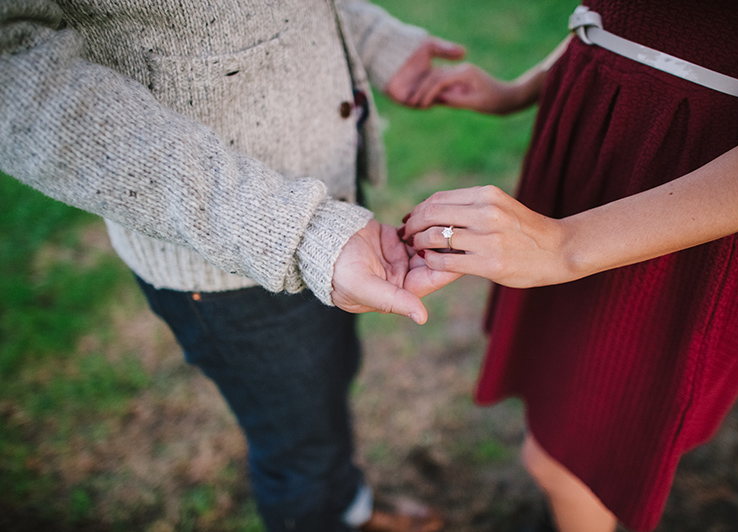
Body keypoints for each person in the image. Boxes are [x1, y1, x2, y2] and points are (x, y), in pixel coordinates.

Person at [0, 1, 460, 531]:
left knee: (325, 391)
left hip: (334, 231)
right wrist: (299, 232)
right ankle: (324, 511)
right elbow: (19, 72)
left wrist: (376, 40)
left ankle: (346, 503)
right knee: (298, 446)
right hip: (231, 263)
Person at [401, 1, 738, 531]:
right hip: (583, 151)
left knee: (575, 463)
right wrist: (521, 88)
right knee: (558, 391)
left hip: (690, 191)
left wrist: (566, 245)